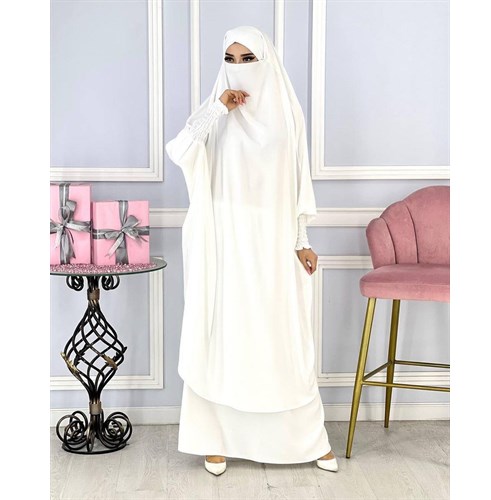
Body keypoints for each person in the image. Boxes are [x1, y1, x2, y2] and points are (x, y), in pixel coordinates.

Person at [165, 25, 338, 476]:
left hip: (274, 242)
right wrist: (216, 110)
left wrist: (302, 240)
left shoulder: (288, 113)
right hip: (224, 244)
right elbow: (181, 149)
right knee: (225, 337)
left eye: (248, 59)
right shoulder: (216, 111)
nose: (239, 68)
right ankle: (214, 439)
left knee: (281, 338)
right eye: (230, 59)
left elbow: (298, 180)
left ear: (266, 61)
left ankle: (305, 439)